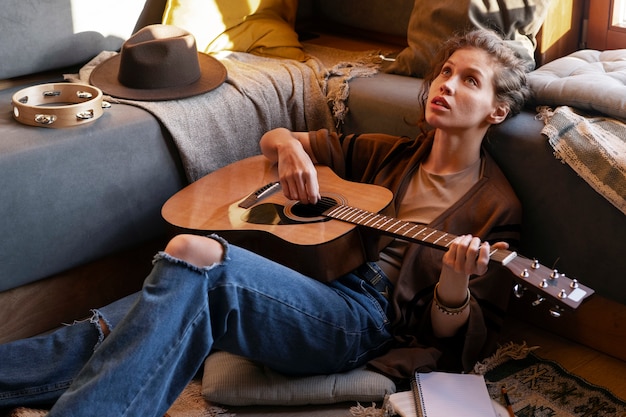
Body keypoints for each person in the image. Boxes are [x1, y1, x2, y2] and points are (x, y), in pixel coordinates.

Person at [0, 29, 531, 416]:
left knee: (192, 255)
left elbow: (455, 339)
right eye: (444, 71)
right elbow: (276, 140)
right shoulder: (387, 155)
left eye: (469, 80)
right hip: (307, 277)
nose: (446, 84)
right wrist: (290, 152)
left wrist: (455, 285)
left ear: (497, 110)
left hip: (359, 319)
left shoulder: (495, 208)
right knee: (150, 310)